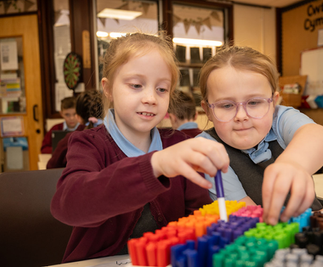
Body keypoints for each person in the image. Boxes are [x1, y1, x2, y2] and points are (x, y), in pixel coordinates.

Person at [50, 32, 229, 263]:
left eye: (161, 89)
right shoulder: (88, 144)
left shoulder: (179, 144)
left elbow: (198, 219)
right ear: (108, 88)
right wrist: (155, 164)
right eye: (136, 85)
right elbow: (69, 205)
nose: (150, 98)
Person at [197, 46, 323, 226]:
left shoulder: (280, 118)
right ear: (207, 111)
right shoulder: (207, 148)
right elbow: (246, 216)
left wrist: (293, 163)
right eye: (226, 106)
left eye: (255, 102)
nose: (241, 115)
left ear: (274, 102)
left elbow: (319, 136)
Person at [46, 90, 103, 169]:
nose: (71, 118)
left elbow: (50, 167)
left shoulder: (69, 140)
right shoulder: (113, 137)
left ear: (78, 117)